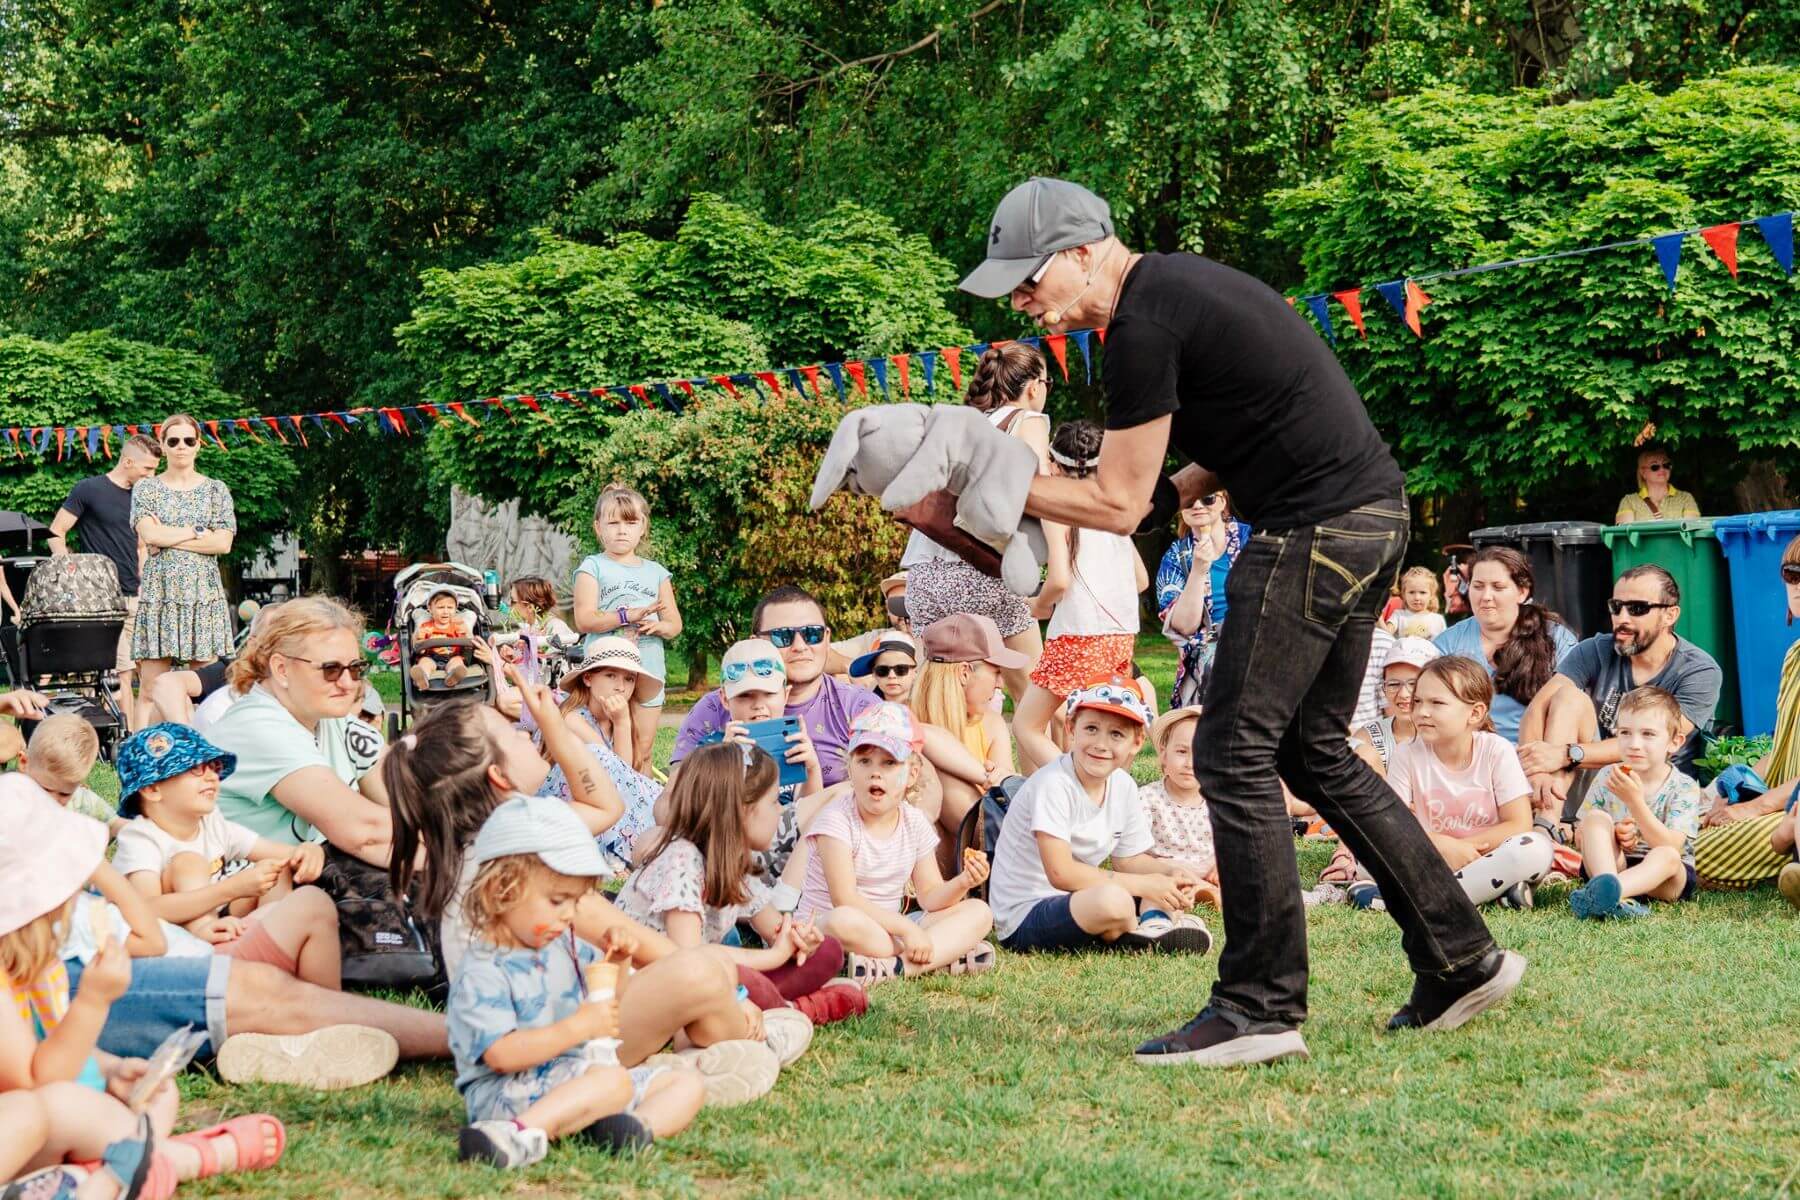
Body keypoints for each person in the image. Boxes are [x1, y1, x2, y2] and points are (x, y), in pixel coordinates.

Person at [960, 175, 1514, 1065]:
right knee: (1313, 750)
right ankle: (1461, 957)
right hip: (1373, 515)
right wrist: (1169, 495)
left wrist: (984, 487)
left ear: (1077, 251)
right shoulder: (1178, 291)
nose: (1024, 302)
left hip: (1314, 529)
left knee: (1230, 748)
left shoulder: (1141, 324)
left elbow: (1112, 497)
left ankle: (1258, 1007)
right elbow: (1239, 432)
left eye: (1028, 280)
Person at [383, 675, 784, 1107]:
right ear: (499, 776)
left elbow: (604, 807)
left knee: (699, 968)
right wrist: (733, 995)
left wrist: (554, 722)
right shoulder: (521, 856)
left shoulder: (502, 837)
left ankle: (708, 1044)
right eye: (513, 733)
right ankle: (731, 1043)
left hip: (561, 1023)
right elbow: (654, 947)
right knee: (700, 969)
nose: (526, 732)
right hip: (557, 1045)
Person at [1, 792, 288, 1196]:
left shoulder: (36, 962)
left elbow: (45, 1041)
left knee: (132, 1096)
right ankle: (143, 1161)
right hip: (27, 1121)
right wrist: (93, 1002)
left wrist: (111, 1069)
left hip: (40, 1128)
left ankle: (105, 1170)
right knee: (44, 1109)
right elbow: (35, 1081)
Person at [448, 794, 705, 1168]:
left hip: (574, 1076)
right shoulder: (484, 969)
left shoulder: (561, 947)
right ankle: (514, 1135)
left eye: (575, 901)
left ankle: (628, 1128)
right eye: (557, 901)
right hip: (507, 1094)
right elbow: (502, 1056)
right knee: (613, 1082)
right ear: (501, 890)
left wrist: (616, 963)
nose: (569, 914)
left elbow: (609, 1001)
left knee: (685, 1083)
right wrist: (579, 1026)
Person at [615, 742, 865, 1026]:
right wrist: (774, 956)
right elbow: (690, 956)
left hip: (703, 974)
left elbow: (774, 929)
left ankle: (776, 1004)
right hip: (655, 987)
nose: (779, 812)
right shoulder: (681, 860)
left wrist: (796, 940)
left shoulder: (734, 860)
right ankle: (794, 1011)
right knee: (734, 975)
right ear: (743, 812)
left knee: (827, 952)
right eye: (773, 802)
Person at [987, 677, 1212, 955]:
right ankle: (1143, 927)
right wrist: (1147, 885)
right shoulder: (1053, 784)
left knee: (1143, 889)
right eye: (1091, 728)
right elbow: (1061, 873)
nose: (1101, 744)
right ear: (1071, 729)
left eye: (1117, 734)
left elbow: (1128, 860)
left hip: (1076, 899)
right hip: (1026, 913)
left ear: (1137, 741)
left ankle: (1151, 925)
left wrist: (1169, 872)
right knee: (1114, 900)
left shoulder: (1123, 786)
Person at [111, 724, 343, 988]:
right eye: (196, 769)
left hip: (222, 920)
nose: (211, 777)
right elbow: (147, 909)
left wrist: (307, 851)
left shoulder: (212, 822)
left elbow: (282, 854)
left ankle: (272, 935)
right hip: (173, 942)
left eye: (214, 767)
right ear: (153, 789)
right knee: (189, 862)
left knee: (273, 868)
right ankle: (212, 941)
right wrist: (230, 890)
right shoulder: (140, 838)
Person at [792, 703, 995, 983]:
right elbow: (845, 899)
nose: (875, 773)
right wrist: (910, 932)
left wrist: (963, 882)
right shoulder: (837, 819)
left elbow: (930, 895)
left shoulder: (913, 822)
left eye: (889, 763)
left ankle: (897, 967)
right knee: (843, 921)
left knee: (979, 912)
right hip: (833, 928)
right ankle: (941, 952)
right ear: (850, 768)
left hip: (887, 930)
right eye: (864, 761)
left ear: (911, 774)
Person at [899, 343, 1052, 702]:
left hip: (923, 578)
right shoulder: (1026, 421)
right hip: (981, 570)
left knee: (938, 696)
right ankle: (1042, 758)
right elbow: (1043, 492)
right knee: (1031, 694)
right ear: (1034, 387)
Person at [1347, 657, 1554, 912]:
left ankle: (1419, 899)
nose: (1422, 712)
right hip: (1431, 854)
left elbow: (1518, 824)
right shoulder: (1406, 754)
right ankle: (1493, 892)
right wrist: (1441, 846)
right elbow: (1392, 825)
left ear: (1475, 713)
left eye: (1437, 703)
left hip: (1485, 855)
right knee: (1368, 857)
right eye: (1418, 701)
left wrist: (1463, 849)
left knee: (1535, 849)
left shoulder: (1496, 751)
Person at [1517, 565, 1723, 817]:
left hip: (1654, 794)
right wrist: (1537, 769)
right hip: (1591, 782)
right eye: (1616, 607)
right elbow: (1537, 707)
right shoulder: (1595, 649)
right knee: (1567, 698)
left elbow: (1651, 743)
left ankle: (1550, 825)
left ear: (1670, 615)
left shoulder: (1698, 670)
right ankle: (1548, 825)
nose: (1622, 618)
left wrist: (1565, 754)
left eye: (1637, 608)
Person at [207, 598, 393, 864]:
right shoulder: (258, 728)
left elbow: (405, 802)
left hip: (300, 883)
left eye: (355, 668)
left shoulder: (330, 719)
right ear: (281, 669)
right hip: (242, 895)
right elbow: (363, 833)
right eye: (330, 669)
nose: (347, 683)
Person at [1015, 420, 1148, 774]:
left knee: (1026, 725)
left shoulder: (1059, 507)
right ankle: (1103, 789)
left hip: (1077, 634)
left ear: (1054, 466)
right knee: (1097, 726)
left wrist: (1037, 607)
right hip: (1119, 638)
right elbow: (1140, 580)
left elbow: (1059, 579)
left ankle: (1074, 787)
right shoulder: (1114, 507)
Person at [674, 586, 879, 788]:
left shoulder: (861, 708)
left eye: (812, 634)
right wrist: (720, 766)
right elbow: (670, 804)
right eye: (782, 636)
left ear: (827, 638)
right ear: (756, 642)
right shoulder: (715, 708)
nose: (800, 646)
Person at [1696, 535, 1800, 893]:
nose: (1797, 585)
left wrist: (1753, 810)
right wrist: (1733, 793)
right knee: (1692, 828)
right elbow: (1783, 750)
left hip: (1788, 806)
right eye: (1792, 574)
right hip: (1784, 800)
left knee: (1694, 849)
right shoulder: (1794, 657)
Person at [48, 432, 162, 731]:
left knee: (148, 673)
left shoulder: (143, 498)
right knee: (122, 672)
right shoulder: (88, 489)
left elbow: (141, 547)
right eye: (147, 469)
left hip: (138, 596)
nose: (152, 475)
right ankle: (127, 734)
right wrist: (71, 568)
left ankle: (143, 732)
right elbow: (56, 532)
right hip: (103, 596)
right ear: (127, 462)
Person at [128, 414, 236, 730]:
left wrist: (171, 537)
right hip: (160, 595)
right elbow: (151, 536)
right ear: (162, 445)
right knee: (150, 688)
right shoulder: (147, 488)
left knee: (205, 686)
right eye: (173, 440)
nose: (181, 447)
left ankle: (205, 752)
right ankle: (144, 754)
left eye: (188, 440)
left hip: (202, 596)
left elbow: (224, 543)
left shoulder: (216, 490)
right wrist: (198, 531)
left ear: (198, 445)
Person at [571, 485, 682, 775]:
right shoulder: (592, 567)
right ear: (598, 527)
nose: (622, 530)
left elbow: (674, 625)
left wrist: (658, 626)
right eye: (613, 522)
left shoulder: (656, 572)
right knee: (602, 750)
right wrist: (626, 615)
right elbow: (584, 619)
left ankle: (641, 813)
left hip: (648, 670)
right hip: (606, 672)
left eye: (630, 522)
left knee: (642, 752)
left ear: (643, 526)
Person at [1568, 687, 1703, 918]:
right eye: (1625, 733)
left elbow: (1672, 845)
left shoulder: (1683, 786)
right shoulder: (1608, 775)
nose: (1634, 744)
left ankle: (1608, 893)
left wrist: (1635, 802)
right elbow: (1581, 838)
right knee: (1595, 819)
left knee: (1666, 855)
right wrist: (1615, 833)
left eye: (1648, 734)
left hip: (1662, 880)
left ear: (1675, 742)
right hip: (1612, 864)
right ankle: (1609, 894)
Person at [908, 613, 1024, 865]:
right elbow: (922, 734)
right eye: (996, 672)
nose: (1000, 684)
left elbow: (1005, 800)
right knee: (930, 772)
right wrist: (984, 775)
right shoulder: (902, 720)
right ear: (964, 673)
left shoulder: (992, 725)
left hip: (989, 852)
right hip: (925, 864)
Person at [1433, 548, 1578, 743]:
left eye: (1498, 587)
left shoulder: (1556, 638)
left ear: (1522, 592)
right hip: (1471, 756)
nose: (1485, 596)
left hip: (1541, 755)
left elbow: (1573, 710)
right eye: (1477, 586)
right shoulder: (1447, 644)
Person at [543, 637, 662, 868]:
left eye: (629, 679)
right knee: (598, 756)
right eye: (610, 676)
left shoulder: (618, 720)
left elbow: (627, 777)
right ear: (588, 678)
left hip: (607, 803)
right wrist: (622, 723)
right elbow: (616, 771)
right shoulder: (571, 717)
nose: (620, 686)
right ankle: (621, 851)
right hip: (569, 803)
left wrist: (621, 723)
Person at [1156, 490, 1246, 707]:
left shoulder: (1251, 540)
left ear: (1223, 501)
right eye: (1188, 501)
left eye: (1207, 499)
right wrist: (1198, 571)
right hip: (1209, 655)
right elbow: (1185, 626)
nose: (1197, 505)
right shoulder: (1175, 556)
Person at [1140, 706, 1219, 907]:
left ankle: (1205, 887)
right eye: (1182, 752)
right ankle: (1201, 891)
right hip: (1166, 867)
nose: (1190, 763)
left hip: (1207, 867)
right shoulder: (1148, 798)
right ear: (1164, 756)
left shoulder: (1218, 800)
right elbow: (1133, 852)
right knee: (1158, 879)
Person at [409, 589, 480, 692]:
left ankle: (454, 675)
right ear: (430, 608)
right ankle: (422, 678)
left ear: (455, 609)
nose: (445, 611)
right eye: (440, 607)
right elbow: (420, 649)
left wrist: (467, 634)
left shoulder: (458, 626)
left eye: (450, 607)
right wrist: (418, 643)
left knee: (457, 662)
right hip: (431, 657)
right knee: (425, 662)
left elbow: (466, 645)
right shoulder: (425, 627)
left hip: (453, 656)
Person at [1615, 446, 1699, 524]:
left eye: (1666, 465)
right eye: (1654, 466)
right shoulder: (1629, 501)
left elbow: (1691, 530)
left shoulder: (1686, 498)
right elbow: (1625, 534)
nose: (1662, 469)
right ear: (1643, 472)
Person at [506, 575, 579, 647]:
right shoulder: (527, 628)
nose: (509, 604)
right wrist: (512, 654)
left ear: (530, 607)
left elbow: (560, 657)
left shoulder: (556, 628)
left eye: (513, 601)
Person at [848, 630, 917, 702]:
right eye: (882, 670)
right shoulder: (863, 710)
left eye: (901, 669)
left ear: (915, 672)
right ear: (874, 673)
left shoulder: (927, 707)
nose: (891, 675)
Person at [1383, 567, 1447, 641]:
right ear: (1404, 594)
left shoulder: (1438, 620)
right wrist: (1378, 617)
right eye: (1411, 592)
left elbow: (1444, 646)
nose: (1417, 597)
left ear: (1431, 595)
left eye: (1422, 592)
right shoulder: (1398, 616)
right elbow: (1385, 634)